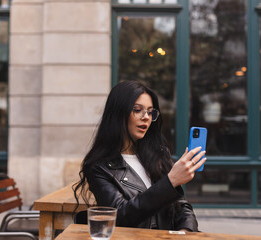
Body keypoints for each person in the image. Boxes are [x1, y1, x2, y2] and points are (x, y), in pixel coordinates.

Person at [73, 81, 206, 232]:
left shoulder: (158, 154)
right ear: (118, 113)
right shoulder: (99, 167)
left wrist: (185, 231)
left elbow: (181, 206)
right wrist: (171, 181)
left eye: (150, 112)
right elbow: (121, 216)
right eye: (137, 110)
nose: (146, 117)